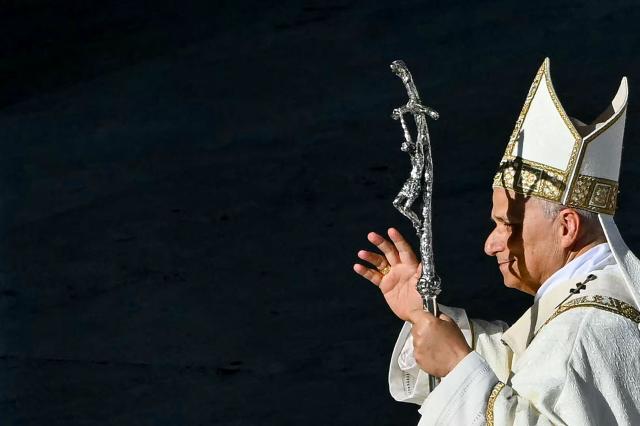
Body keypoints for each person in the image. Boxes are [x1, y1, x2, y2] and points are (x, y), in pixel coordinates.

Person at [354, 58, 640, 425]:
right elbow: (521, 370)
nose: (491, 245)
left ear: (566, 228)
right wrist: (424, 315)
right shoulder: (598, 306)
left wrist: (458, 368)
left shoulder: (586, 330)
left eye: (508, 224)